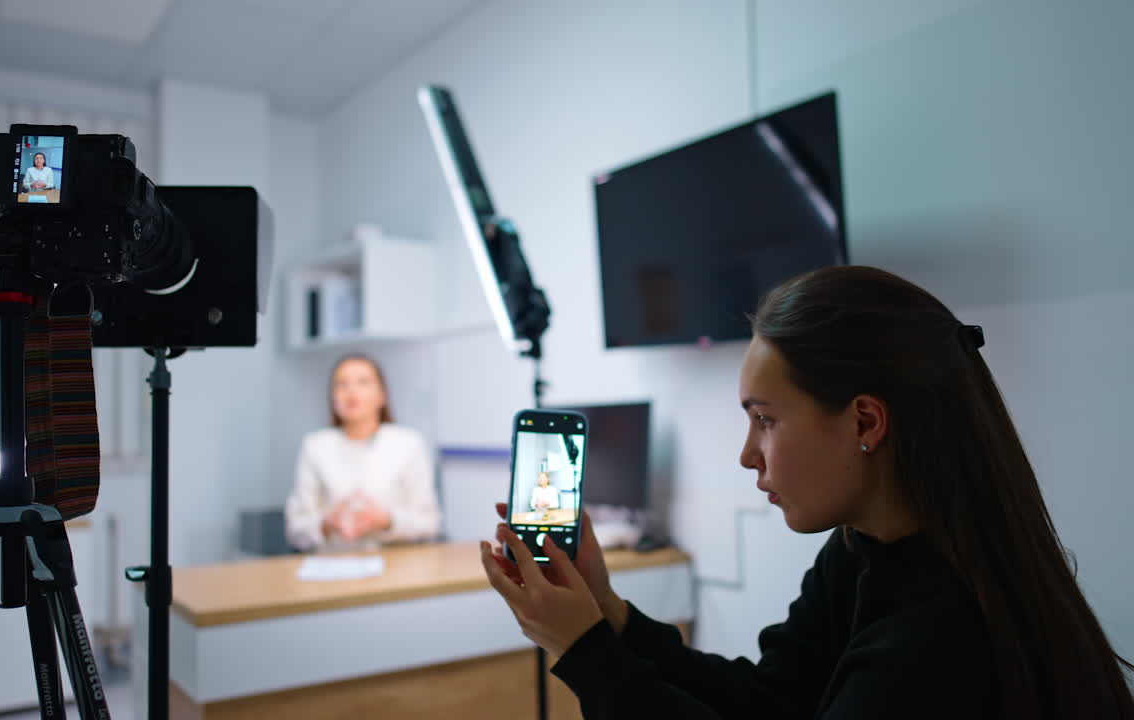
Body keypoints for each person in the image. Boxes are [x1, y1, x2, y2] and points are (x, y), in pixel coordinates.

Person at [480, 266, 1134, 719]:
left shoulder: (935, 642)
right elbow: (771, 701)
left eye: (765, 419)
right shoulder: (858, 554)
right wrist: (607, 613)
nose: (746, 454)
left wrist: (586, 653)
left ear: (865, 422)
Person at [285, 354, 440, 552]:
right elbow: (295, 529)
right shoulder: (315, 446)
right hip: (333, 565)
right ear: (332, 397)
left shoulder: (409, 443)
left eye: (363, 382)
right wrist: (326, 524)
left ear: (382, 395)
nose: (351, 391)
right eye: (341, 384)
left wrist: (386, 520)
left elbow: (429, 524)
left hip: (397, 569)